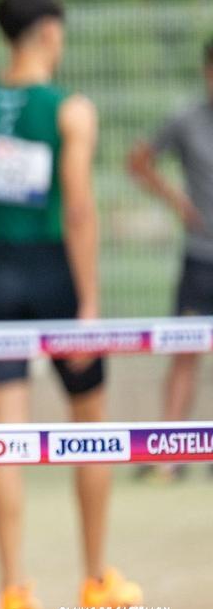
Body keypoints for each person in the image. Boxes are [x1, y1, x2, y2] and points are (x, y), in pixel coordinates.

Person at [0, 0, 143, 609]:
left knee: (3, 435)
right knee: (90, 425)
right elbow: (80, 208)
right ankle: (95, 577)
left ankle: (14, 588)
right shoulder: (71, 110)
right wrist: (87, 302)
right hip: (58, 274)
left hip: (0, 273)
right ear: (50, 33)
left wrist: (0, 262)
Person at [127, 38, 213, 479]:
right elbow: (138, 161)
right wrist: (176, 200)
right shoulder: (187, 118)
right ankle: (169, 452)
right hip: (200, 256)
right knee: (185, 352)